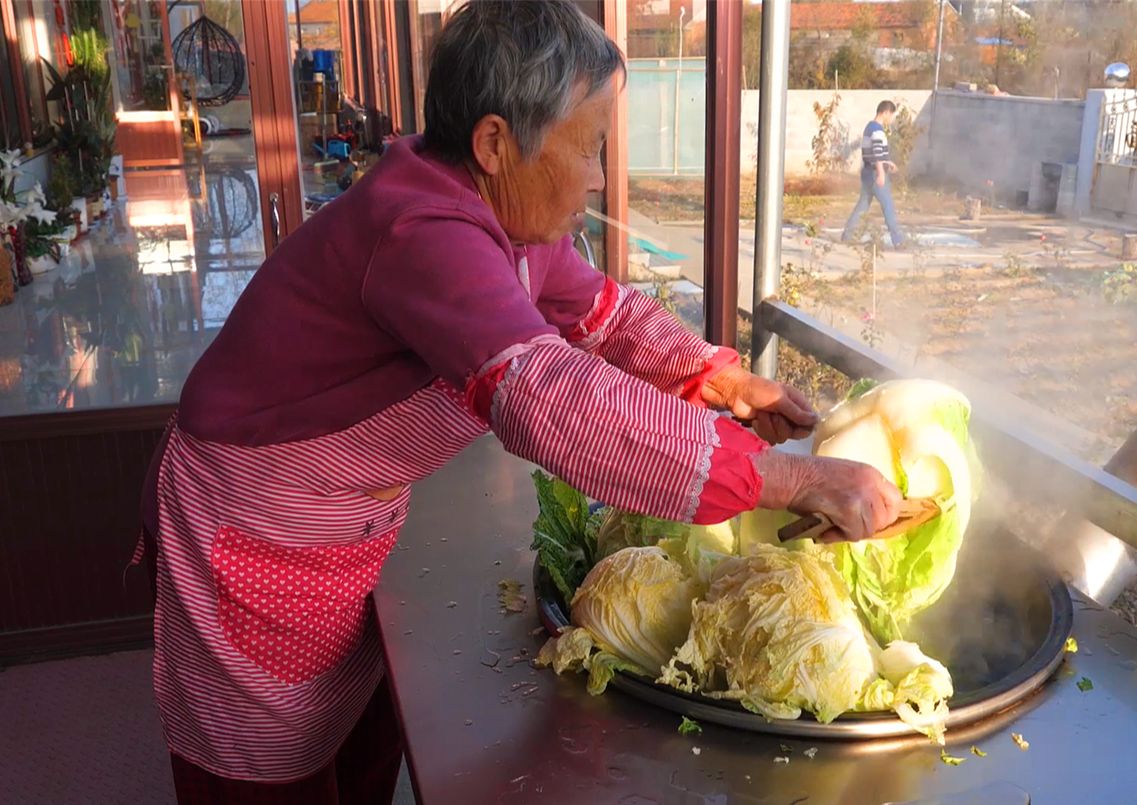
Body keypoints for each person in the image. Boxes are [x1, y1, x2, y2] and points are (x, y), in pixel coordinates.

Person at [137, 2, 903, 802]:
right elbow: (551, 398)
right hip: (258, 532)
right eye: (591, 148)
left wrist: (723, 380)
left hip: (346, 523)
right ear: (496, 143)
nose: (601, 177)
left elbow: (604, 314)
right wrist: (789, 479)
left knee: (356, 732)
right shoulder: (423, 229)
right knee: (270, 771)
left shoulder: (511, 227)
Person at [841, 100, 907, 248]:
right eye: (891, 115)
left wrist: (887, 162)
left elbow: (872, 152)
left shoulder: (869, 127)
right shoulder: (877, 130)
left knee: (862, 205)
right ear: (885, 113)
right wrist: (881, 172)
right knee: (888, 206)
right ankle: (898, 241)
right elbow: (877, 153)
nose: (891, 119)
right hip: (875, 173)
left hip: (867, 172)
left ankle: (847, 235)